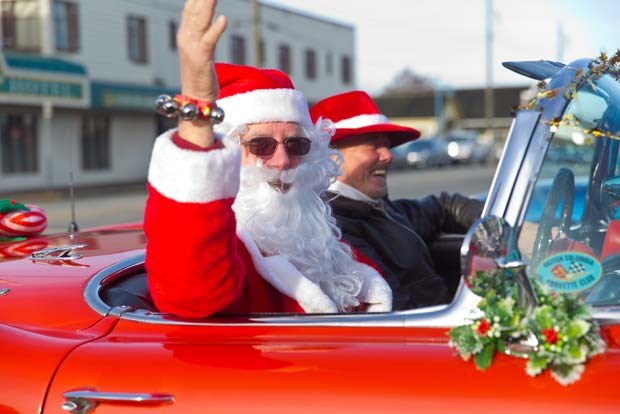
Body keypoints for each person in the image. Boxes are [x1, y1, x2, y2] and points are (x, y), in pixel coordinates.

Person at [144, 0, 391, 318]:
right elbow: (191, 296)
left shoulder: (327, 245)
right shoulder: (233, 251)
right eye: (260, 145)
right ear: (228, 153)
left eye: (296, 145)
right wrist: (197, 113)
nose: (282, 161)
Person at [310, 91, 484, 310]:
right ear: (330, 157)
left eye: (387, 146)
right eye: (373, 145)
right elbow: (397, 307)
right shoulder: (336, 230)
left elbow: (444, 206)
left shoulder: (386, 211)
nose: (388, 155)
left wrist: (506, 224)